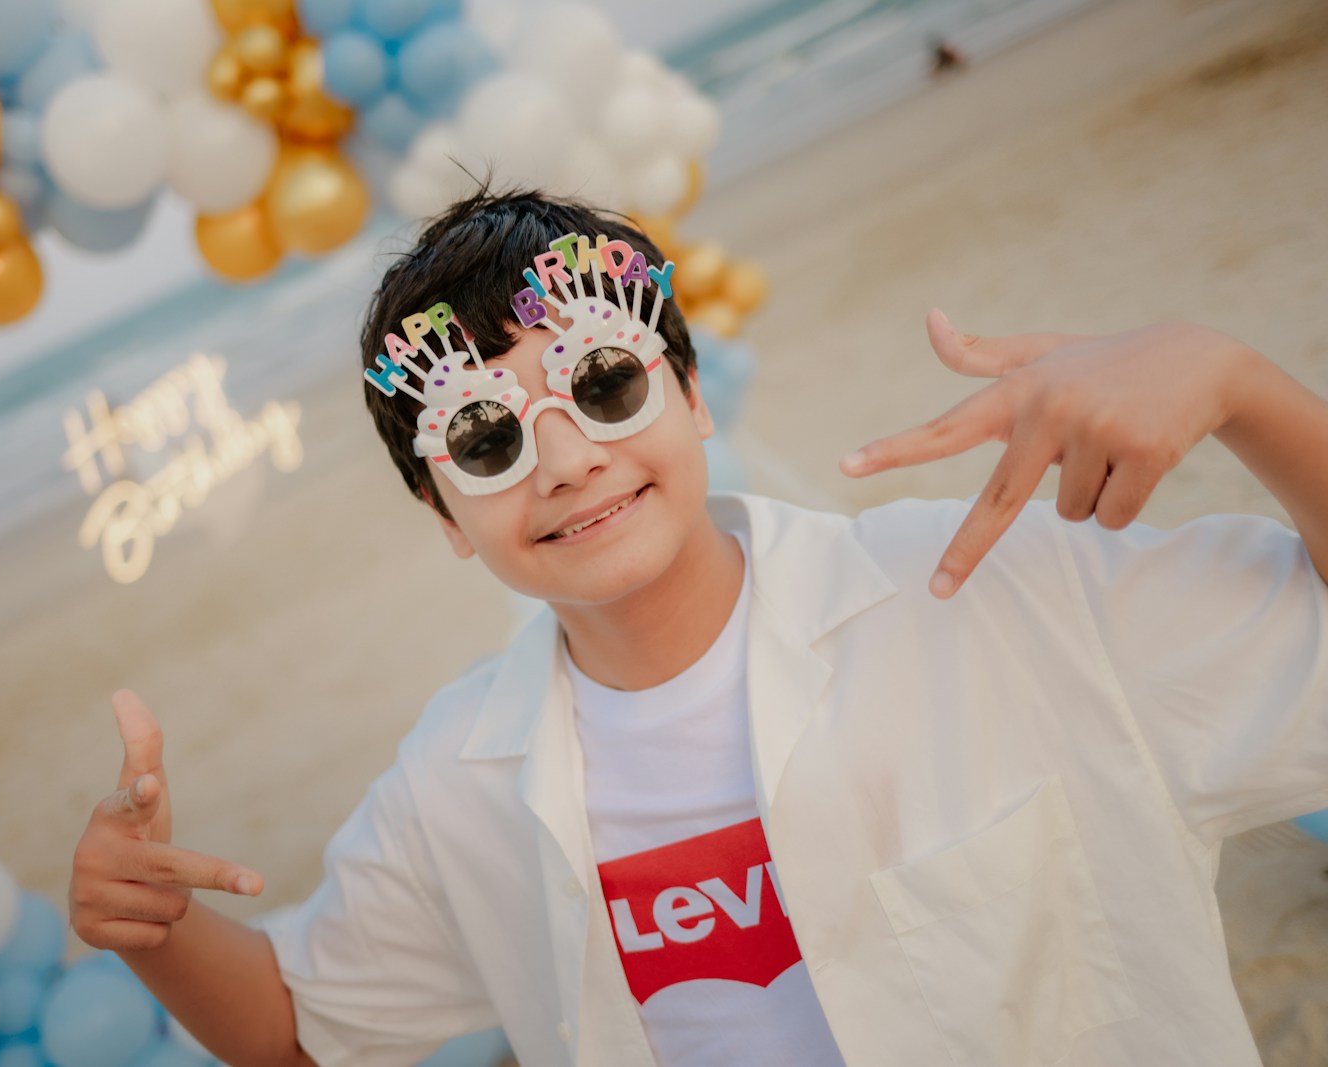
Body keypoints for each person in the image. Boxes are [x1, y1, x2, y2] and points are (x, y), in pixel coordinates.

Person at [67, 190, 1328, 1067]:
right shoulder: (456, 788)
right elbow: (300, 1029)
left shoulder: (1010, 593)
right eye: (485, 438)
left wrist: (1237, 384)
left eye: (605, 384)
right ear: (443, 512)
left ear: (691, 392)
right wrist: (155, 927)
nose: (562, 460)